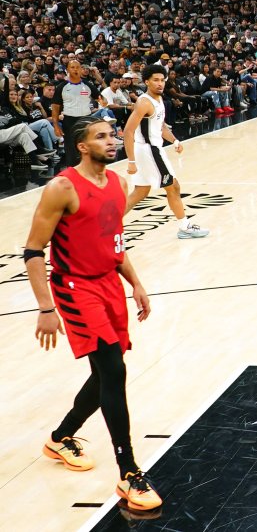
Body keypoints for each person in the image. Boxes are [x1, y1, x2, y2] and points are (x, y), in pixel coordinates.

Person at [26, 116, 163, 512]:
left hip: (108, 284)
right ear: (82, 146)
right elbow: (34, 251)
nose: (112, 141)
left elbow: (113, 242)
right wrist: (45, 308)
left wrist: (134, 283)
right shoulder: (62, 187)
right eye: (101, 137)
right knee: (114, 372)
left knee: (105, 371)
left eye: (113, 135)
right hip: (74, 288)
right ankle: (129, 472)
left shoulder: (118, 184)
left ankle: (61, 436)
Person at [121, 65, 209, 240]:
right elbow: (128, 131)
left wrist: (174, 140)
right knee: (173, 187)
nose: (160, 83)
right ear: (146, 81)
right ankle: (185, 227)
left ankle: (105, 226)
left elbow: (159, 126)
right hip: (148, 151)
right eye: (156, 80)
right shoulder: (144, 102)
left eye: (162, 80)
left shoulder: (159, 100)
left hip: (152, 149)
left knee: (140, 192)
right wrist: (131, 161)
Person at [51, 60, 103, 167]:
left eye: (77, 67)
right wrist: (56, 125)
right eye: (72, 67)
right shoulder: (62, 87)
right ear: (68, 70)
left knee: (88, 147)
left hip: (86, 120)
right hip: (69, 121)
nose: (75, 69)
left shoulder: (88, 85)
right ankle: (73, 175)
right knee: (71, 150)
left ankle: (89, 170)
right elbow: (55, 108)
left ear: (81, 69)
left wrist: (102, 95)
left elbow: (103, 100)